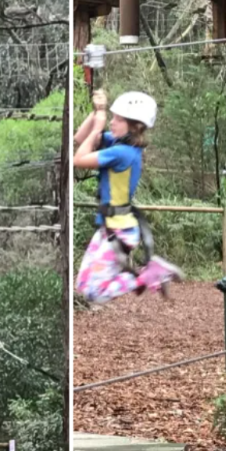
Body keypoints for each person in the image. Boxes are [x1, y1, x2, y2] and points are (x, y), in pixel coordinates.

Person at [73, 89, 183, 304]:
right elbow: (80, 139)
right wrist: (97, 112)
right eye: (112, 117)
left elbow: (78, 160)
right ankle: (147, 274)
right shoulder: (117, 145)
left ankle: (150, 274)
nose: (112, 123)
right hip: (111, 227)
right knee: (84, 286)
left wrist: (99, 123)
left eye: (118, 119)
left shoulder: (121, 153)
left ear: (134, 126)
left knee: (95, 293)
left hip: (119, 230)